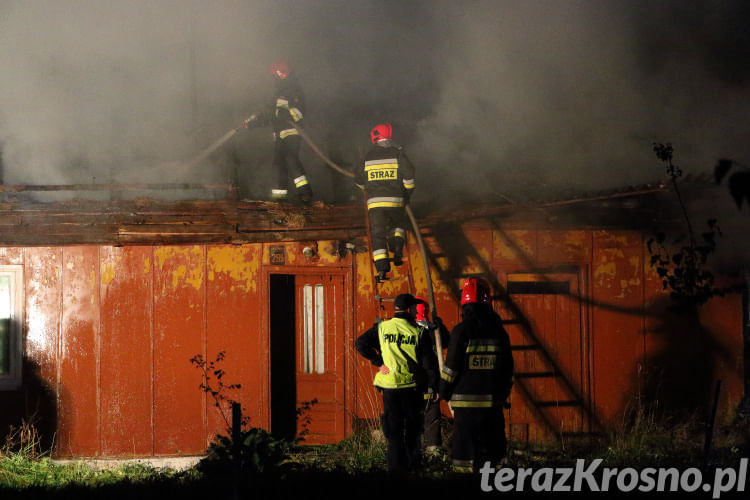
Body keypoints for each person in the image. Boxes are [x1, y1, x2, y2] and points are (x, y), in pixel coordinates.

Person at [354, 293, 439, 473]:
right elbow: (429, 364)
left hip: (389, 388)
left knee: (394, 432)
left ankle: (395, 471)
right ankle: (413, 468)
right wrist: (433, 386)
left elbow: (360, 343)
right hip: (411, 388)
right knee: (413, 431)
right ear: (409, 309)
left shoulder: (382, 328)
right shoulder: (418, 332)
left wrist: (379, 362)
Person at [439, 278, 514, 472]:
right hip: (493, 406)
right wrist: (502, 395)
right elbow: (508, 370)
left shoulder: (461, 331)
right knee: (493, 454)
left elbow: (450, 369)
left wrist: (443, 392)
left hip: (466, 409)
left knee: (465, 455)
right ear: (488, 303)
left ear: (464, 303)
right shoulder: (500, 332)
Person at [243, 60, 313, 204]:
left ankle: (305, 193)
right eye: (277, 73)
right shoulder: (277, 94)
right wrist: (251, 123)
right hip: (279, 135)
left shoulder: (294, 89)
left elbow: (299, 112)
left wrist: (285, 115)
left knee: (290, 159)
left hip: (291, 132)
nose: (279, 75)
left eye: (281, 72)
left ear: (288, 72)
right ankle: (280, 199)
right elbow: (268, 114)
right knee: (279, 165)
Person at [354, 123, 415, 283]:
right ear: (390, 136)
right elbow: (409, 175)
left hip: (375, 204)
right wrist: (407, 194)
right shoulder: (397, 154)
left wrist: (367, 187)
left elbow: (358, 180)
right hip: (395, 200)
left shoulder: (367, 157)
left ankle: (381, 268)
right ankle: (397, 251)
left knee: (378, 235)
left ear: (375, 137)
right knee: (398, 225)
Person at [413, 296, 449, 451]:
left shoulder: (410, 331)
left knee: (414, 419)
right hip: (432, 383)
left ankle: (416, 452)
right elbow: (446, 342)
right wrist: (440, 327)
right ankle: (433, 451)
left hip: (413, 384)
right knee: (432, 417)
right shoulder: (434, 331)